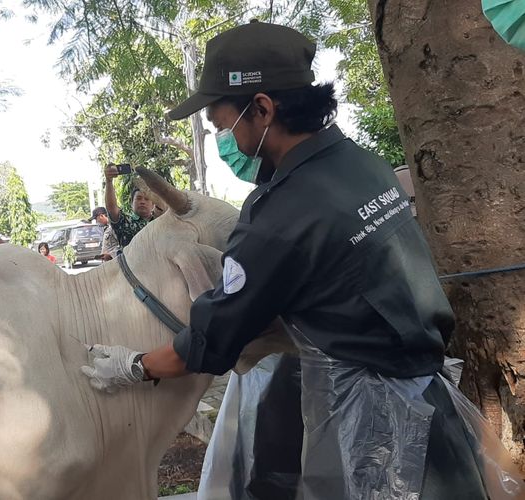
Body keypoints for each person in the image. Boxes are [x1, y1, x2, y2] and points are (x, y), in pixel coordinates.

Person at [81, 21, 515, 499]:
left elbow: (213, 341)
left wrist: (134, 365)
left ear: (263, 109)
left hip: (363, 418)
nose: (227, 140)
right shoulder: (360, 164)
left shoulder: (280, 215)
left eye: (225, 126)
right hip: (426, 394)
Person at [103, 165, 155, 248]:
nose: (142, 202)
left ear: (153, 205)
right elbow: (111, 208)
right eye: (138, 198)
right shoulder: (125, 222)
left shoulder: (160, 222)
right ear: (131, 203)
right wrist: (109, 181)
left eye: (147, 199)